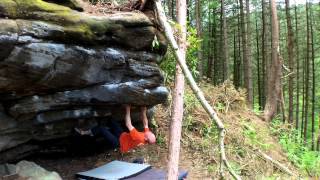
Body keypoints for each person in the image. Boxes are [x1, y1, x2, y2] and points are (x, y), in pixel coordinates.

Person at [74, 105, 156, 153]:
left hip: (118, 143)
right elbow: (145, 123)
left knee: (102, 129)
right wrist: (143, 110)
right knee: (111, 120)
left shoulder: (139, 138)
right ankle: (97, 125)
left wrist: (127, 109)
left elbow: (128, 124)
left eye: (150, 134)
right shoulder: (147, 135)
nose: (150, 132)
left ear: (146, 138)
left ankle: (84, 133)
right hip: (122, 135)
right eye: (151, 133)